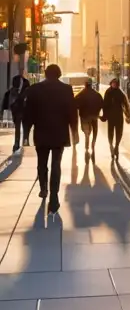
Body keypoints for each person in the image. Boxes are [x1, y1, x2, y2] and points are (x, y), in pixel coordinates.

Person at [22, 65, 78, 214]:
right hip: (59, 133)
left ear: (45, 74)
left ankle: (43, 189)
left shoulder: (34, 89)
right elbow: (72, 112)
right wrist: (75, 132)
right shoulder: (66, 89)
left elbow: (28, 114)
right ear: (59, 74)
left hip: (41, 132)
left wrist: (26, 134)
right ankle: (54, 196)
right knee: (56, 165)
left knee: (42, 163)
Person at [100, 78, 130, 160]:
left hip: (119, 116)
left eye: (115, 83)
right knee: (110, 133)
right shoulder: (108, 92)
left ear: (117, 84)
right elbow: (105, 105)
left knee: (119, 133)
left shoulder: (120, 93)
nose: (114, 84)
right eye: (113, 83)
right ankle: (111, 145)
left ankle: (117, 146)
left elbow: (126, 104)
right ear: (111, 84)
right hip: (111, 117)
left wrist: (128, 115)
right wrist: (104, 115)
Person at [74, 78, 104, 160]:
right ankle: (93, 144)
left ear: (85, 85)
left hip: (84, 117)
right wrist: (101, 115)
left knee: (86, 133)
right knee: (95, 131)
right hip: (94, 116)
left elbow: (75, 104)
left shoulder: (81, 94)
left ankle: (87, 147)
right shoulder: (97, 94)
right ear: (92, 85)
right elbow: (102, 104)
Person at [2, 74, 30, 153]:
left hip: (18, 112)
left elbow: (7, 103)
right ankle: (24, 140)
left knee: (19, 127)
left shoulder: (11, 92)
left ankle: (18, 143)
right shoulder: (24, 92)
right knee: (24, 127)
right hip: (22, 112)